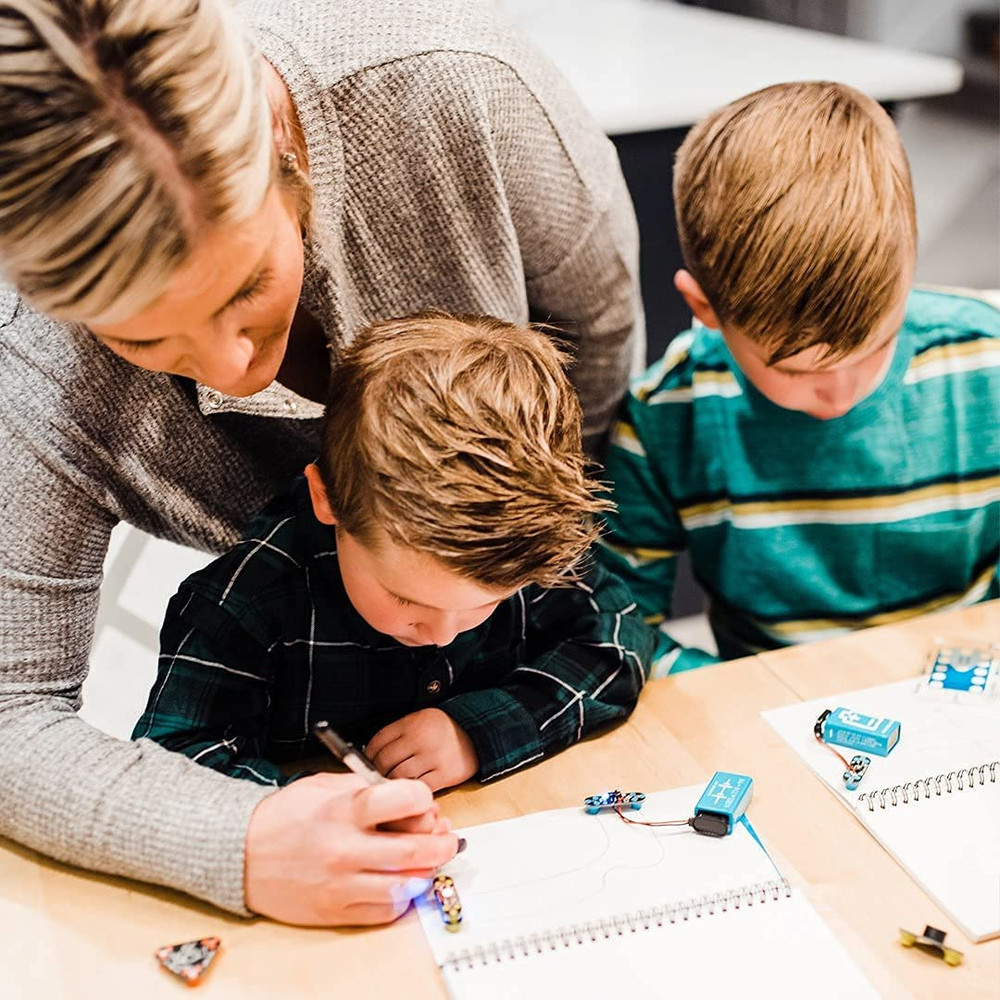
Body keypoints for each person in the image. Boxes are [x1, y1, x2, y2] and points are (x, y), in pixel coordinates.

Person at [0, 0, 642, 925]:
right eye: (143, 338)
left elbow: (600, 350)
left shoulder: (457, 81)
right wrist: (240, 837)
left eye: (246, 284)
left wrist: (497, 563)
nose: (232, 372)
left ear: (279, 144)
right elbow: (15, 714)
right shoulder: (28, 356)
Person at [133, 313, 653, 798]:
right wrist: (301, 809)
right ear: (329, 501)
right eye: (406, 599)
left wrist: (479, 731)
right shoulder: (245, 605)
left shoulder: (515, 547)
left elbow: (619, 636)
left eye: (485, 603)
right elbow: (173, 759)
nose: (446, 633)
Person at [598, 81, 999, 671]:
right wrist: (736, 699)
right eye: (797, 369)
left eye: (874, 347)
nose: (841, 391)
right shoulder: (667, 416)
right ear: (705, 308)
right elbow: (619, 625)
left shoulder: (984, 362)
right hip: (771, 715)